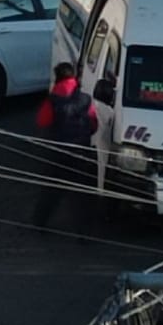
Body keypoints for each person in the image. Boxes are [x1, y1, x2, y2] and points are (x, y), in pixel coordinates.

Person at [32, 62, 98, 234]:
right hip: (80, 152)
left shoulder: (52, 100)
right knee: (81, 195)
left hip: (58, 153)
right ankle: (83, 233)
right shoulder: (85, 99)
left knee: (51, 191)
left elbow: (42, 121)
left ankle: (39, 224)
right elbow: (93, 124)